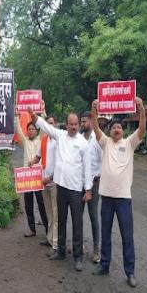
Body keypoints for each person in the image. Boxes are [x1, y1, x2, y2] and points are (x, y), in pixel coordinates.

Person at [91, 98, 146, 288]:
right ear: (110, 131)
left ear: (123, 131)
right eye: (113, 127)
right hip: (106, 197)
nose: (116, 129)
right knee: (105, 233)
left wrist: (142, 109)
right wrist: (94, 110)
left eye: (119, 128)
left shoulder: (130, 143)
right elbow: (96, 128)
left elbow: (142, 129)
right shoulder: (105, 143)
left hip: (123, 199)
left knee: (126, 236)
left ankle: (130, 272)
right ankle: (104, 266)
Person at [29, 109, 92, 272]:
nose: (73, 127)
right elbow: (46, 127)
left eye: (76, 124)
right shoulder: (61, 136)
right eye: (70, 124)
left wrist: (88, 189)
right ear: (66, 124)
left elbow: (87, 169)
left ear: (78, 125)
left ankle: (78, 256)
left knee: (77, 224)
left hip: (76, 190)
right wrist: (35, 117)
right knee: (61, 221)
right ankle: (61, 251)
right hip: (61, 187)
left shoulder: (83, 143)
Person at [15, 112, 48, 238]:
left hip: (38, 178)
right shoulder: (25, 141)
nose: (30, 131)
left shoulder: (41, 140)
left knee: (42, 205)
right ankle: (31, 229)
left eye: (33, 129)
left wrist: (43, 112)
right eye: (28, 129)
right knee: (28, 205)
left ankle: (47, 229)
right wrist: (17, 117)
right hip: (26, 179)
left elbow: (45, 126)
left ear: (36, 131)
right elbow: (18, 130)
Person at [80, 111, 103, 263]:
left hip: (94, 184)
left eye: (84, 121)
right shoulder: (80, 139)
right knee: (78, 216)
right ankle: (79, 246)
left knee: (93, 216)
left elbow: (104, 161)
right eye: (81, 122)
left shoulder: (98, 140)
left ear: (91, 121)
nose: (82, 124)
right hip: (80, 184)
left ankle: (96, 250)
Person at [34, 115, 58, 252]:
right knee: (49, 213)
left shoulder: (58, 141)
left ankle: (55, 243)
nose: (49, 126)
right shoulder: (43, 140)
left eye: (51, 123)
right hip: (44, 183)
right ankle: (49, 238)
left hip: (55, 182)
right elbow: (38, 157)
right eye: (47, 123)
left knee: (56, 214)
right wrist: (32, 162)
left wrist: (50, 177)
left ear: (55, 125)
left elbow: (60, 163)